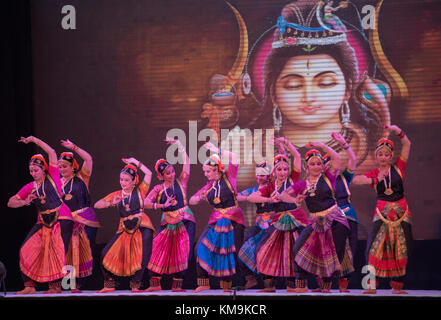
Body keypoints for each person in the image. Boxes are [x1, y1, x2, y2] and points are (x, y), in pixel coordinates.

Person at [280, 138, 353, 293]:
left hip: (335, 219)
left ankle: (327, 286)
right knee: (298, 248)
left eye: (319, 163)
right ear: (307, 167)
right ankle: (301, 285)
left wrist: (321, 145)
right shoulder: (303, 184)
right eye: (312, 164)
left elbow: (337, 158)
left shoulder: (328, 177)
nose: (316, 166)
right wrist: (295, 200)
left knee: (335, 252)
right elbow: (283, 195)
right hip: (315, 222)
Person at [7, 136, 74, 294]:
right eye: (31, 171)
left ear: (43, 168)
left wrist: (33, 140)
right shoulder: (29, 187)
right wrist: (24, 202)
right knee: (25, 249)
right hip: (43, 221)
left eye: (35, 170)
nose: (33, 173)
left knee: (56, 251)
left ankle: (55, 286)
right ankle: (29, 286)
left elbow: (51, 151)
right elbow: (10, 202)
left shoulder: (52, 175)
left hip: (62, 217)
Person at [352, 125, 412, 294]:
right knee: (372, 247)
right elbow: (356, 180)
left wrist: (396, 130)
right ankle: (370, 286)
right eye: (380, 154)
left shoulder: (399, 168)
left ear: (392, 156)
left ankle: (397, 287)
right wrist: (373, 179)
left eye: (387, 154)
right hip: (382, 213)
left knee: (401, 248)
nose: (384, 157)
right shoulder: (374, 173)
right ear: (376, 156)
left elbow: (407, 144)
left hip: (401, 212)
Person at [246, 137, 308, 292]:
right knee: (264, 249)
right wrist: (269, 199)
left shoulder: (293, 179)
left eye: (285, 169)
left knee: (294, 251)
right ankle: (269, 285)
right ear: (274, 171)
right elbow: (251, 197)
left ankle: (293, 285)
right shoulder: (271, 186)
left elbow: (298, 157)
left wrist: (286, 143)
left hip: (295, 219)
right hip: (278, 220)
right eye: (279, 169)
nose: (283, 172)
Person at [189, 142, 245, 293]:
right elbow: (191, 200)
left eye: (208, 171)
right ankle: (203, 282)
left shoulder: (230, 177)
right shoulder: (209, 186)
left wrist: (217, 150)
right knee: (199, 247)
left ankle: (233, 283)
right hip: (216, 220)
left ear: (216, 169)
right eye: (205, 171)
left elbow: (234, 158)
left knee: (230, 251)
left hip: (234, 219)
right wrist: (199, 198)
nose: (205, 174)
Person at [94, 158, 155, 293]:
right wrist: (112, 203)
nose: (123, 182)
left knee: (142, 256)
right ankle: (109, 285)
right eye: (121, 179)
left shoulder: (140, 191)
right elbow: (97, 204)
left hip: (142, 226)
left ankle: (135, 285)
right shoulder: (117, 194)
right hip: (124, 228)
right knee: (104, 254)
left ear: (134, 180)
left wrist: (134, 161)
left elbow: (149, 174)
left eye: (126, 180)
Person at [144, 138, 196, 292]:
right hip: (167, 222)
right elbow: (145, 202)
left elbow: (187, 162)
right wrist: (162, 205)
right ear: (161, 176)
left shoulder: (181, 182)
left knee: (184, 251)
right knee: (156, 249)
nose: (172, 174)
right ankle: (155, 285)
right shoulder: (158, 188)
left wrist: (179, 145)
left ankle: (177, 285)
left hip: (185, 220)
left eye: (172, 171)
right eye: (168, 173)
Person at [59, 139, 100, 293]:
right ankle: (69, 285)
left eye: (65, 166)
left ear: (72, 166)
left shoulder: (82, 177)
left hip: (86, 219)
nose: (62, 169)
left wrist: (74, 147)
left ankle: (79, 284)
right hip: (67, 221)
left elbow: (88, 159)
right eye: (60, 166)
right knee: (68, 252)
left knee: (84, 251)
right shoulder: (58, 183)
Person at [321, 133, 357, 292]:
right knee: (325, 250)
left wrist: (344, 143)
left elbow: (353, 160)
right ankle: (325, 284)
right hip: (329, 219)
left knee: (348, 250)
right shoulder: (320, 182)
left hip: (349, 216)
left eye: (332, 161)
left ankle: (343, 283)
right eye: (326, 162)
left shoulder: (345, 177)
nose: (330, 165)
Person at [236, 161, 273, 289]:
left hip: (273, 224)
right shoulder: (254, 190)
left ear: (269, 176)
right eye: (257, 175)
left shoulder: (273, 189)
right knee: (243, 250)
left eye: (262, 175)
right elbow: (238, 196)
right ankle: (250, 279)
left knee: (264, 252)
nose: (259, 178)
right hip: (259, 225)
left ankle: (269, 284)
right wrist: (249, 198)